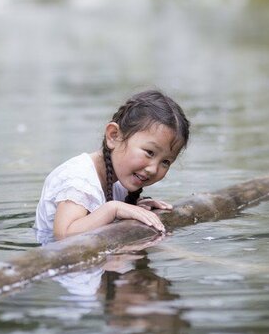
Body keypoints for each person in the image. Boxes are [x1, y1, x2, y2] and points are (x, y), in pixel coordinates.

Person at [34, 89, 190, 244]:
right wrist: (113, 209)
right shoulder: (78, 178)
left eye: (166, 162)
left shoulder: (119, 182)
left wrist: (133, 208)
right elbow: (64, 234)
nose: (153, 169)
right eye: (149, 152)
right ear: (114, 135)